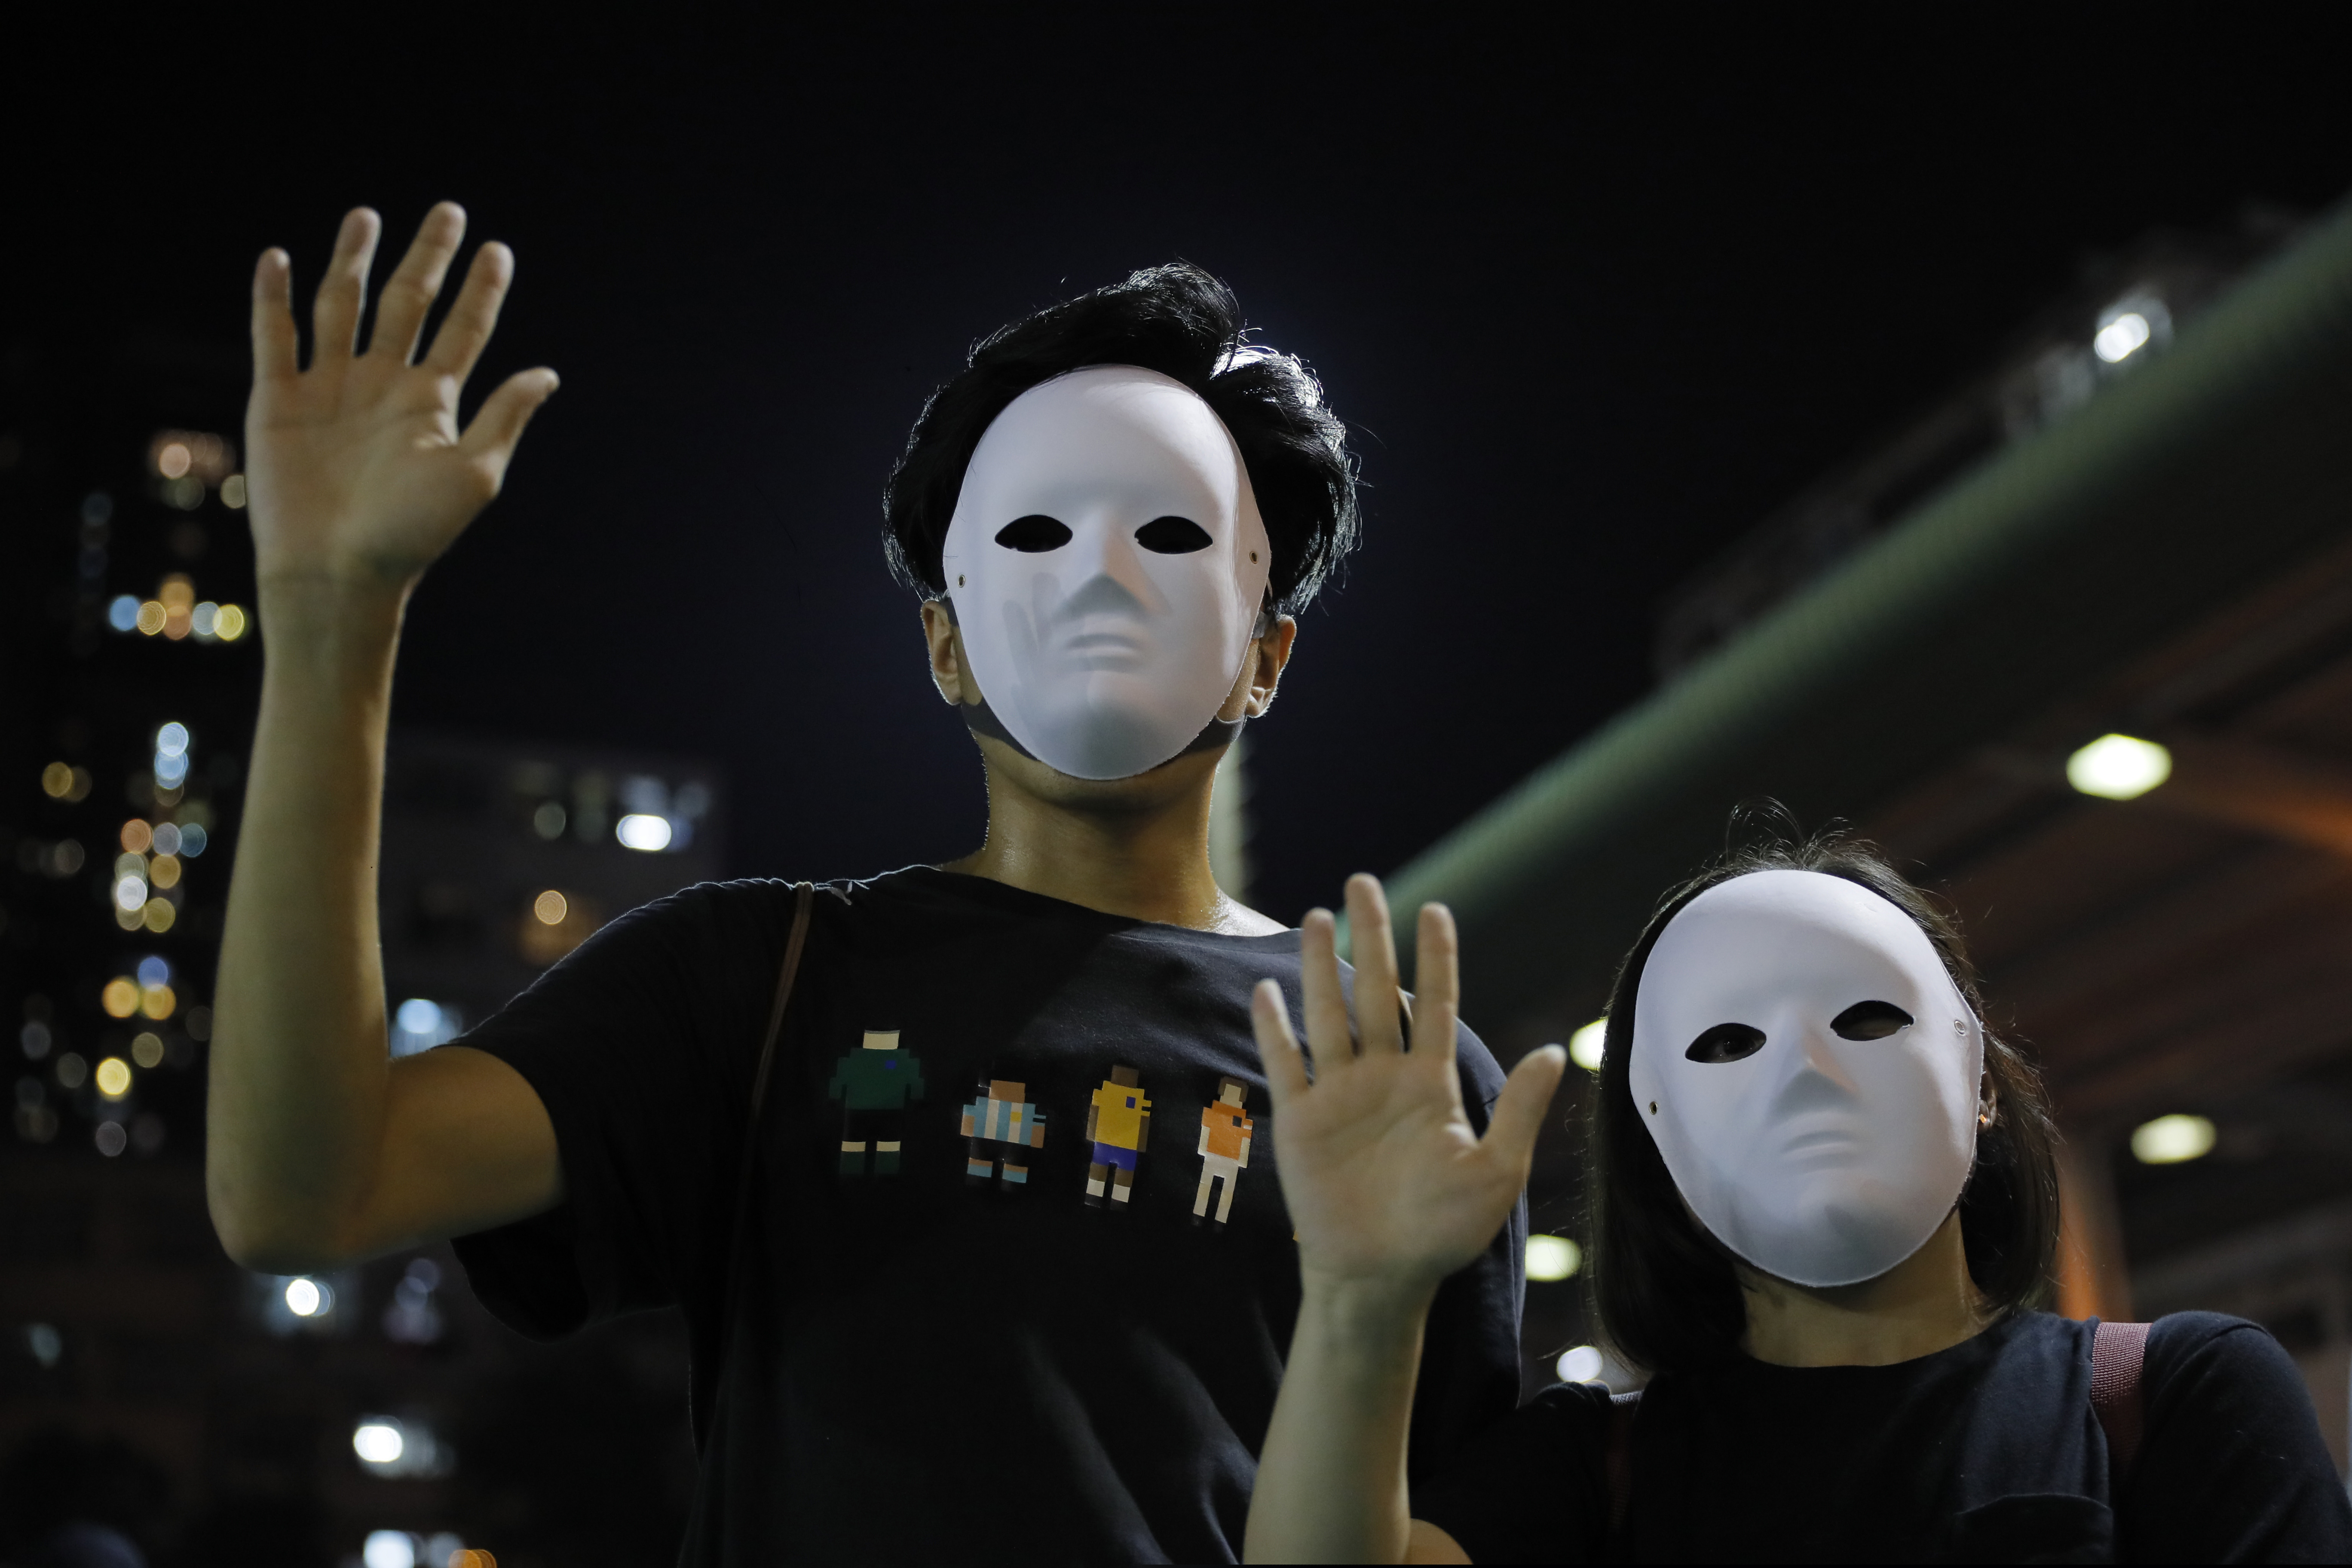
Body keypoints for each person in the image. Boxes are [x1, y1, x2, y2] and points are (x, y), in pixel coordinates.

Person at [205, 204, 1526, 1564]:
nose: (1104, 581)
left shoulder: (1401, 1085)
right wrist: (331, 619)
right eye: (1035, 534)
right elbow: (307, 1192)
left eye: (1173, 537)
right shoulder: (756, 981)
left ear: (1267, 655)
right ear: (943, 644)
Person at [1243, 842, 2352, 1563]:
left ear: (1979, 1085)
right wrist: (1361, 1298)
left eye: (1869, 1019)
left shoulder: (2179, 1398)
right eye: (1727, 1044)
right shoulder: (1592, 1473)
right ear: (1657, 1135)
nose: (1804, 1074)